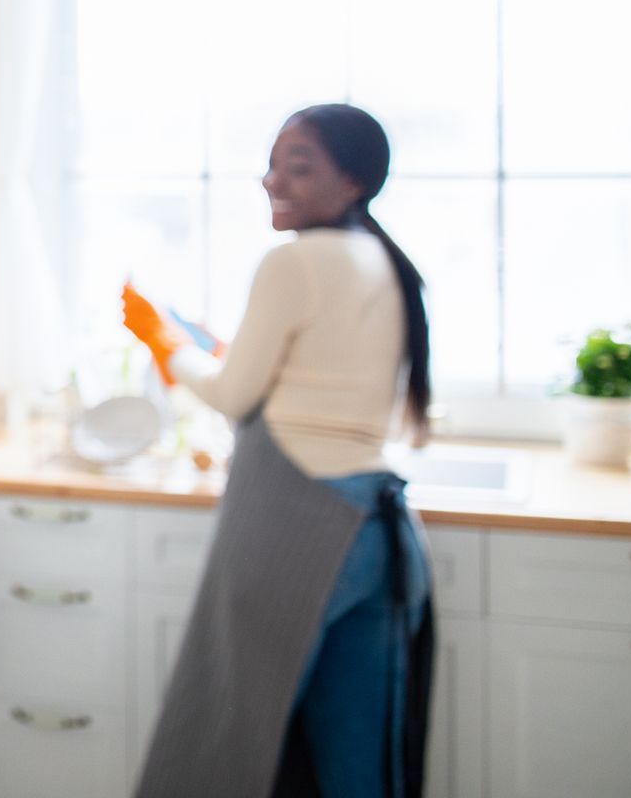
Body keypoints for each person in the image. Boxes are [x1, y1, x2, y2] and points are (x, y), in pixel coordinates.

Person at [121, 105, 435, 798]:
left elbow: (234, 396)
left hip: (295, 519)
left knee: (222, 742)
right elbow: (306, 379)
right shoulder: (383, 258)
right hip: (376, 529)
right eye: (271, 162)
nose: (271, 180)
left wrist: (164, 343)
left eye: (299, 166)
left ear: (355, 180)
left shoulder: (294, 261)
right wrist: (203, 346)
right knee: (357, 759)